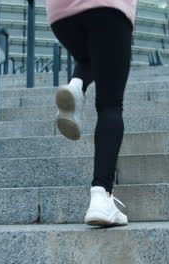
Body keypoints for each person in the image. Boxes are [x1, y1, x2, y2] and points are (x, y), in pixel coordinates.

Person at [43, 0, 138, 226]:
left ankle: (77, 86)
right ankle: (101, 197)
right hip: (109, 8)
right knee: (110, 106)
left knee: (92, 56)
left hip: (60, 14)